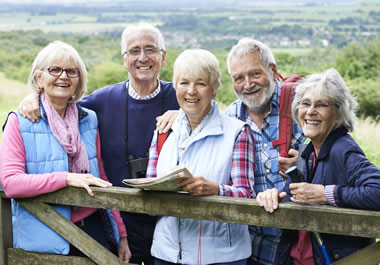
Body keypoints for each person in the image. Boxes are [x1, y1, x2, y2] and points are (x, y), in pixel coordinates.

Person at [17, 24, 179, 265]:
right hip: (121, 221)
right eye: (134, 51)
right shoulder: (101, 101)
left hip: (173, 221)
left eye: (150, 50)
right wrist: (33, 97)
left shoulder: (184, 97)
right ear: (124, 59)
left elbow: (214, 118)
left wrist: (185, 116)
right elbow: (62, 102)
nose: (142, 58)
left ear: (163, 57)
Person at [0, 40, 130, 262]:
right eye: (54, 69)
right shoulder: (19, 121)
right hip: (42, 235)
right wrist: (67, 178)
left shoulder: (89, 119)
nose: (64, 76)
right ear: (39, 77)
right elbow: (10, 183)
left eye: (71, 71)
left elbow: (101, 176)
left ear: (79, 80)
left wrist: (121, 235)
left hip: (94, 229)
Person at [256, 68, 380, 264]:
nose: (311, 111)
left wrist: (325, 194)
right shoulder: (308, 151)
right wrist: (273, 195)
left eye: (321, 105)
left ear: (338, 114)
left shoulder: (343, 150)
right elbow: (295, 197)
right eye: (306, 103)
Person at [146, 49, 255, 265]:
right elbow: (150, 186)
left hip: (221, 258)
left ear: (214, 89)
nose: (191, 91)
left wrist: (216, 190)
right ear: (175, 86)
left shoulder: (237, 133)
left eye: (201, 83)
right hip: (167, 254)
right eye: (184, 82)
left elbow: (248, 196)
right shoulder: (163, 131)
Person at [222, 38, 306, 265]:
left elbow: (331, 162)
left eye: (255, 74)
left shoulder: (302, 106)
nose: (247, 84)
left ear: (272, 70)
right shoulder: (230, 118)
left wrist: (302, 166)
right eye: (239, 78)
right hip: (249, 250)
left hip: (297, 246)